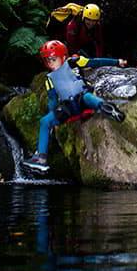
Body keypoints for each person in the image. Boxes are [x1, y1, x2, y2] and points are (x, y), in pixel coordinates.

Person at [23, 40, 127, 172]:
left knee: (88, 97)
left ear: (63, 57)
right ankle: (41, 159)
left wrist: (117, 62)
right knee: (45, 121)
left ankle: (106, 107)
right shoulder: (49, 79)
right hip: (68, 107)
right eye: (47, 60)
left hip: (80, 99)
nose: (50, 63)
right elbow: (52, 99)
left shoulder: (73, 62)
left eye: (53, 59)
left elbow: (96, 61)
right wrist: (53, 117)